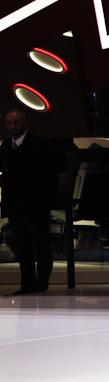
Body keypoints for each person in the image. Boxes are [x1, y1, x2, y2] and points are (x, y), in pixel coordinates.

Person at [0, 109, 57, 295]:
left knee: (41, 245)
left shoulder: (39, 144)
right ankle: (27, 284)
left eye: (16, 122)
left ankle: (42, 284)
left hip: (36, 205)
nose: (12, 126)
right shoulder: (6, 146)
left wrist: (46, 200)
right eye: (9, 123)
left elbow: (49, 175)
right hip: (15, 206)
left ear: (24, 122)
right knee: (22, 247)